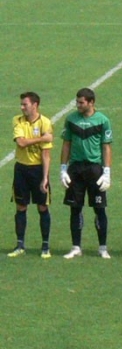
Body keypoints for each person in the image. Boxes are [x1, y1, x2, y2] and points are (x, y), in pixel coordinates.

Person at [60, 88, 113, 259]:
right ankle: (76, 247)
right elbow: (66, 144)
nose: (78, 105)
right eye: (77, 102)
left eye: (81, 102)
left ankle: (103, 247)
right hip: (75, 169)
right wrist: (63, 168)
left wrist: (107, 172)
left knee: (99, 209)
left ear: (91, 102)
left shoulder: (102, 120)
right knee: (75, 208)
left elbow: (106, 147)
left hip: (94, 169)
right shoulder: (71, 119)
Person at [8, 92, 53, 258]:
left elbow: (46, 154)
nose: (22, 107)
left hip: (38, 170)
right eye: (21, 104)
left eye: (24, 104)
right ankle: (20, 245)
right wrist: (42, 138)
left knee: (43, 207)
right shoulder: (17, 120)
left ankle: (45, 246)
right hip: (21, 169)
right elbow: (21, 142)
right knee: (21, 206)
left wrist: (45, 177)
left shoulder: (45, 122)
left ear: (35, 105)